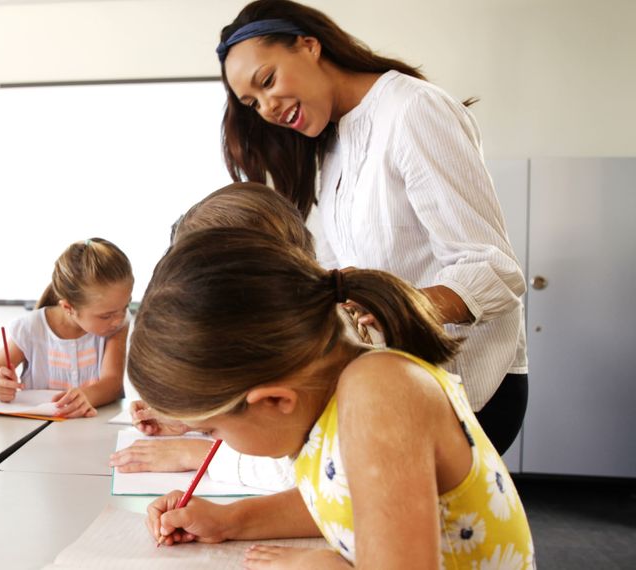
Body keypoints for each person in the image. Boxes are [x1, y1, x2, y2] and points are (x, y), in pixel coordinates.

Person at [217, 0, 527, 454]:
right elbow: (340, 269)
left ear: (309, 45)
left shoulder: (413, 111)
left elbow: (493, 270)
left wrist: (397, 308)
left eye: (267, 81)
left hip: (469, 386)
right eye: (252, 103)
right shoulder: (333, 143)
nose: (266, 107)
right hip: (396, 376)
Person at [132, 228, 534, 568]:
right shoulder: (328, 402)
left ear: (273, 400)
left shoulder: (380, 392)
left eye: (213, 428)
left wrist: (322, 564)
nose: (215, 440)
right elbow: (348, 502)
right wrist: (228, 520)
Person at [110, 182, 377, 492]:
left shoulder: (322, 354)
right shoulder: (317, 326)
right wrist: (199, 415)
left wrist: (200, 454)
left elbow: (305, 470)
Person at [0, 238, 132, 418]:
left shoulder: (115, 326)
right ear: (68, 308)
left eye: (126, 306)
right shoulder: (31, 328)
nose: (119, 319)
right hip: (36, 432)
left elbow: (112, 383)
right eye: (106, 315)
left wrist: (87, 396)